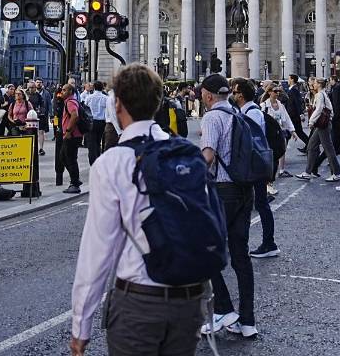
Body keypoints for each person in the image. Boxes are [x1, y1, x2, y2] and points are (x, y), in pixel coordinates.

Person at [68, 64, 211, 356]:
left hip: (139, 304)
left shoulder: (111, 163)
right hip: (190, 302)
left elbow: (97, 253)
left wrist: (80, 326)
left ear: (117, 103)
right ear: (159, 102)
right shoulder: (186, 153)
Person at [198, 74, 258, 338]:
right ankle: (247, 322)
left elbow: (208, 156)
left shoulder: (212, 117)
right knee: (240, 256)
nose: (201, 97)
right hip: (245, 190)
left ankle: (223, 308)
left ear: (209, 95)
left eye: (202, 94)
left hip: (223, 192)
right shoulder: (238, 114)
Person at [232, 77, 280, 259]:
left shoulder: (250, 113)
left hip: (253, 164)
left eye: (235, 92)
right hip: (255, 163)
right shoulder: (251, 110)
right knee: (257, 203)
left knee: (259, 203)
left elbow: (247, 141)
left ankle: (269, 243)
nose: (233, 95)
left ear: (241, 95)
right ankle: (265, 242)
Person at [296, 77, 340, 181]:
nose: (313, 85)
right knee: (311, 146)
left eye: (315, 83)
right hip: (323, 124)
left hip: (322, 125)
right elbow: (330, 109)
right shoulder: (322, 94)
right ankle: (308, 171)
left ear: (319, 85)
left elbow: (319, 109)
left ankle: (336, 173)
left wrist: (311, 121)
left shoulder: (320, 95)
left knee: (328, 148)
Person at [262, 87, 294, 178]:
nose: (278, 93)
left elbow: (287, 118)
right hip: (269, 132)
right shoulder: (264, 105)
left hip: (280, 130)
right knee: (270, 152)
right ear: (269, 92)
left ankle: (281, 170)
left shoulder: (281, 105)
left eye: (279, 91)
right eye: (275, 91)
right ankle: (268, 173)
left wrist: (292, 131)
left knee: (282, 149)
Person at [61, 83, 85, 194]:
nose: (62, 92)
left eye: (64, 90)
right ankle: (75, 179)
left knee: (70, 159)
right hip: (73, 135)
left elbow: (75, 116)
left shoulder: (70, 102)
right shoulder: (70, 101)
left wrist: (68, 131)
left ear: (70, 91)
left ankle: (75, 184)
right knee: (64, 157)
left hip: (72, 135)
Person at [83, 81, 109, 165]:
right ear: (102, 88)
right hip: (101, 122)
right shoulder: (105, 98)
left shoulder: (89, 97)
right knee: (98, 141)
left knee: (91, 143)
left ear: (94, 87)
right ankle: (98, 159)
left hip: (91, 121)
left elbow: (85, 108)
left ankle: (92, 162)